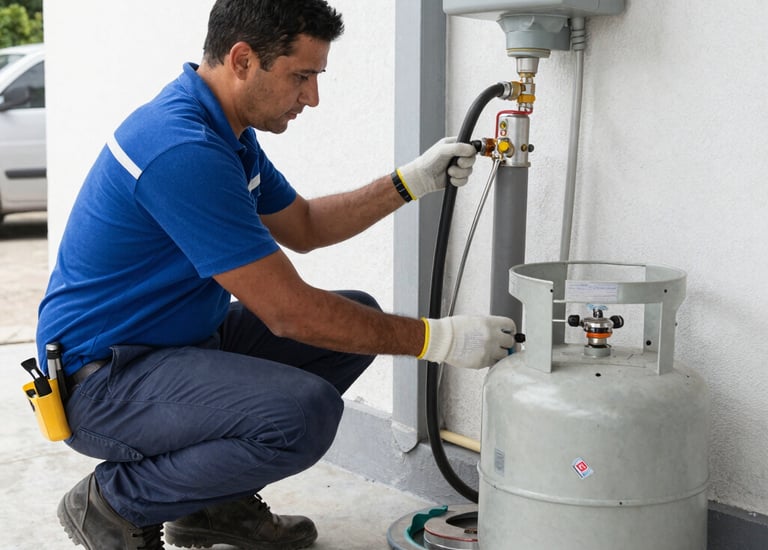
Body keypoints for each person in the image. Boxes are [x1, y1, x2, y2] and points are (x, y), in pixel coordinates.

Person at [37, 0, 517, 548]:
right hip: (102, 381)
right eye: (302, 76)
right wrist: (441, 339)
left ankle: (210, 505)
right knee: (303, 414)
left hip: (173, 346)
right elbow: (290, 313)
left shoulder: (227, 135)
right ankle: (113, 502)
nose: (312, 97)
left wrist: (410, 182)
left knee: (355, 318)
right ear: (243, 60)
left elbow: (305, 225)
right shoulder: (181, 149)